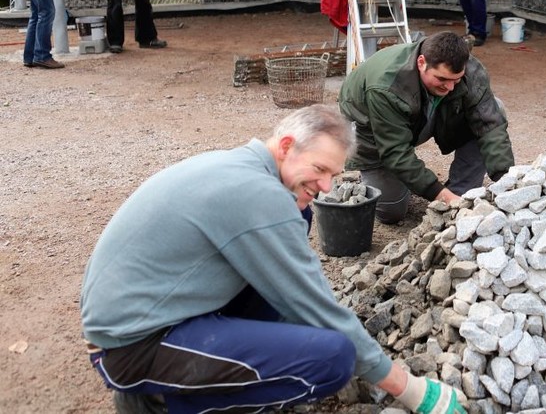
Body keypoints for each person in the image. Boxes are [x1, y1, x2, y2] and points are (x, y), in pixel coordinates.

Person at [80, 104, 465, 414]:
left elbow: (292, 288)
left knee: (300, 213)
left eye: (334, 173)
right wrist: (409, 388)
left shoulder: (242, 168)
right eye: (319, 169)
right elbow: (313, 304)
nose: (328, 186)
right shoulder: (257, 195)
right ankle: (163, 402)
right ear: (285, 146)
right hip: (133, 346)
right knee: (332, 359)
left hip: (153, 316)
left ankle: (161, 390)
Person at [338, 31, 514, 224]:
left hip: (420, 116)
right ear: (421, 62)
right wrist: (439, 194)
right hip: (372, 128)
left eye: (455, 80)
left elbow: (490, 125)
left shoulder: (468, 68)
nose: (450, 88)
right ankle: (405, 181)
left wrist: (508, 182)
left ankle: (461, 192)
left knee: (495, 107)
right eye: (441, 79)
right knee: (392, 212)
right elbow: (395, 152)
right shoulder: (385, 87)